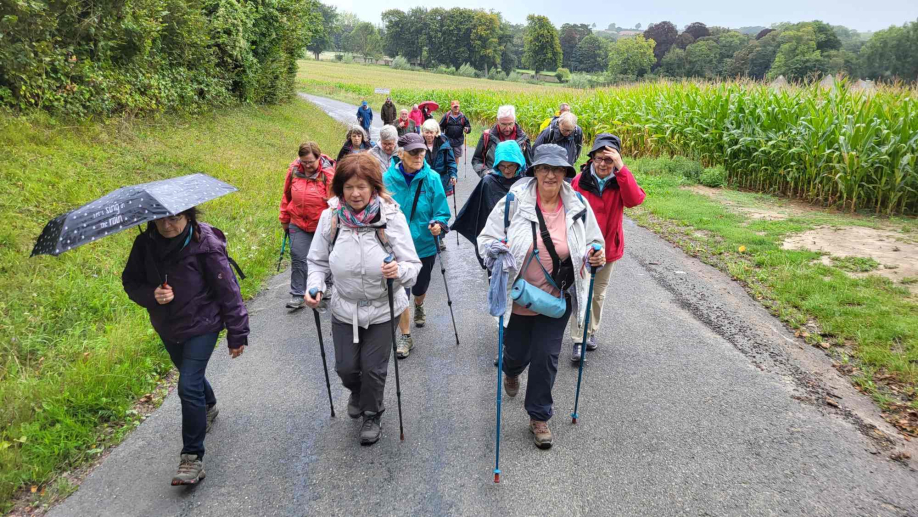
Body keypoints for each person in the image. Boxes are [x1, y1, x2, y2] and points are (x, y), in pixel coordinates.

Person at [477, 143, 604, 450]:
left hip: (556, 299)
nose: (550, 175)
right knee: (518, 354)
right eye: (544, 168)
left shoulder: (578, 207)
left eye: (557, 169)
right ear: (534, 171)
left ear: (565, 174)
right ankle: (512, 369)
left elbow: (594, 243)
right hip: (518, 298)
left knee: (546, 357)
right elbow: (485, 240)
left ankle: (539, 416)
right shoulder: (513, 203)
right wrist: (495, 250)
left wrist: (594, 255)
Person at [122, 208, 249, 485]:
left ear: (189, 217)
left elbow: (228, 289)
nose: (167, 225)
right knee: (189, 375)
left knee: (188, 384)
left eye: (175, 218)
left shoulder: (206, 244)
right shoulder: (145, 244)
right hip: (168, 326)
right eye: (161, 219)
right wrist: (152, 294)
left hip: (203, 323)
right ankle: (209, 406)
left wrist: (237, 332)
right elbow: (130, 282)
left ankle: (192, 458)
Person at [304, 153, 421, 445]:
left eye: (362, 187)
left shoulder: (391, 216)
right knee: (345, 367)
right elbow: (317, 261)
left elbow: (412, 265)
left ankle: (372, 413)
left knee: (374, 367)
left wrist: (399, 270)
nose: (355, 193)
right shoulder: (330, 218)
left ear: (374, 188)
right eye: (348, 187)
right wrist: (315, 286)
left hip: (385, 307)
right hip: (345, 307)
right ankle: (357, 391)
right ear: (340, 189)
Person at [570, 133, 645, 360]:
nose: (603, 164)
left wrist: (622, 169)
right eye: (599, 158)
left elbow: (634, 200)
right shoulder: (579, 181)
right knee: (581, 291)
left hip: (608, 248)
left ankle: (590, 332)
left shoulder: (620, 180)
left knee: (597, 293)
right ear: (591, 157)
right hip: (582, 248)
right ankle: (578, 340)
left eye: (609, 159)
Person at [383, 133, 451, 359]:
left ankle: (419, 305)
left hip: (424, 245)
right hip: (395, 249)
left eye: (421, 151)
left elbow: (442, 211)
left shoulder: (431, 178)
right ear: (400, 154)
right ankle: (405, 335)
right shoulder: (386, 180)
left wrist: (438, 225)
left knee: (419, 289)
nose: (419, 155)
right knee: (401, 291)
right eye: (413, 152)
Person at [452, 140, 526, 269]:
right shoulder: (489, 182)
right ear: (497, 165)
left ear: (518, 163)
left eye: (511, 166)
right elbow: (479, 215)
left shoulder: (526, 182)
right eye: (502, 166)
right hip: (497, 240)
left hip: (522, 240)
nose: (507, 170)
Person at [279, 142, 336, 309]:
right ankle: (297, 294)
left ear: (319, 158)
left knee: (325, 256)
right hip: (297, 221)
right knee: (298, 257)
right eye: (304, 161)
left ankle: (327, 285)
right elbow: (286, 195)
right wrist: (284, 218)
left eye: (311, 161)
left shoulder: (328, 174)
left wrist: (334, 223)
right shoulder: (294, 171)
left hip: (322, 224)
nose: (307, 165)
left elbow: (334, 202)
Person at [471, 104, 532, 178]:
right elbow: (477, 159)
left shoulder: (523, 138)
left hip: (517, 183)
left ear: (514, 121)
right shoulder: (487, 136)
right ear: (497, 121)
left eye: (510, 124)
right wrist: (485, 172)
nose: (507, 128)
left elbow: (529, 163)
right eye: (503, 124)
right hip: (494, 181)